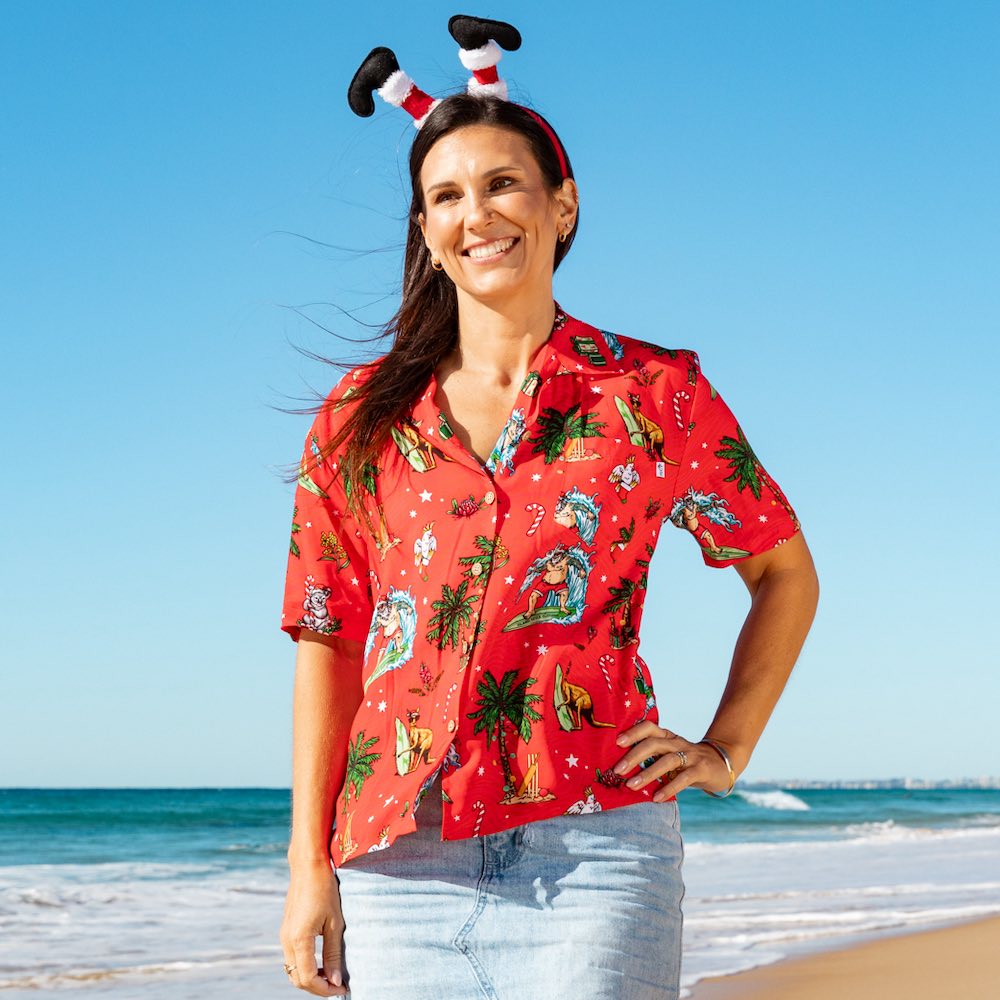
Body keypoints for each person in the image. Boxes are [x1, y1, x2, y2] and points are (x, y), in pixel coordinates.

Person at [277, 15, 819, 1000]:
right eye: (444, 195)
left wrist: (725, 746)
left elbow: (781, 568)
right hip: (399, 864)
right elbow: (328, 637)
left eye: (500, 183)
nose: (474, 212)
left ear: (560, 206)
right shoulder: (360, 417)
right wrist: (307, 867)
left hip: (599, 851)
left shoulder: (654, 394)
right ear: (426, 232)